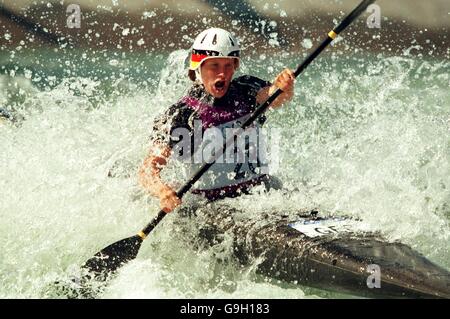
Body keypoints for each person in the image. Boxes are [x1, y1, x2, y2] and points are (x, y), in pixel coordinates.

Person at [139, 27, 295, 213]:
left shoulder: (246, 89)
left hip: (265, 193)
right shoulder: (182, 114)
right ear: (199, 67)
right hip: (214, 207)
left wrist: (282, 87)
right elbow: (148, 170)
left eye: (228, 65)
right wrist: (163, 191)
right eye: (214, 65)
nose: (222, 73)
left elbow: (274, 98)